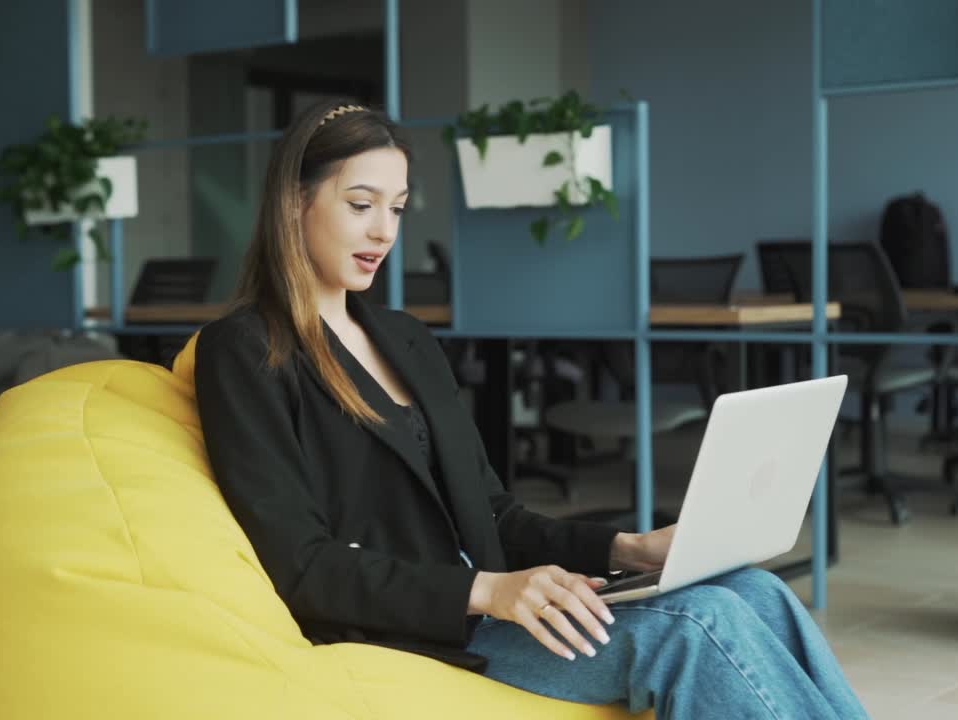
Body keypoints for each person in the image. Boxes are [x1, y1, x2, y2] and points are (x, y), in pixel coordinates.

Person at [193, 98, 868, 720]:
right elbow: (303, 564)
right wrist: (486, 592)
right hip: (422, 623)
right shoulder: (247, 350)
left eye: (397, 208)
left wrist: (625, 548)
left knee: (755, 591)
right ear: (294, 203)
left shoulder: (404, 337)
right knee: (695, 629)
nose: (383, 231)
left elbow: (495, 514)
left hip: (497, 602)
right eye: (360, 204)